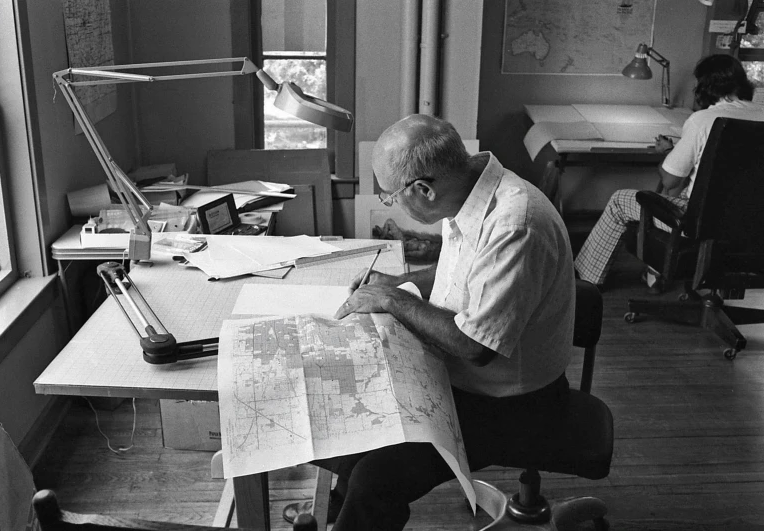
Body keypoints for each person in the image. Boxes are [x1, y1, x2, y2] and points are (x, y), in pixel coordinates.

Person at [292, 114, 576, 530]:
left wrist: (391, 299)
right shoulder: (465, 188)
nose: (391, 204)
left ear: (423, 189)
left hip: (512, 403)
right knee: (349, 436)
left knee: (376, 477)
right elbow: (464, 275)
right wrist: (401, 281)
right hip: (460, 379)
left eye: (390, 197)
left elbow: (476, 347)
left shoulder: (516, 223)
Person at [574, 54, 764, 291]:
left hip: (701, 224)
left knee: (619, 201)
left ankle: (585, 282)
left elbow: (671, 181)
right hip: (754, 226)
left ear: (705, 86)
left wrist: (666, 153)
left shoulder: (704, 120)